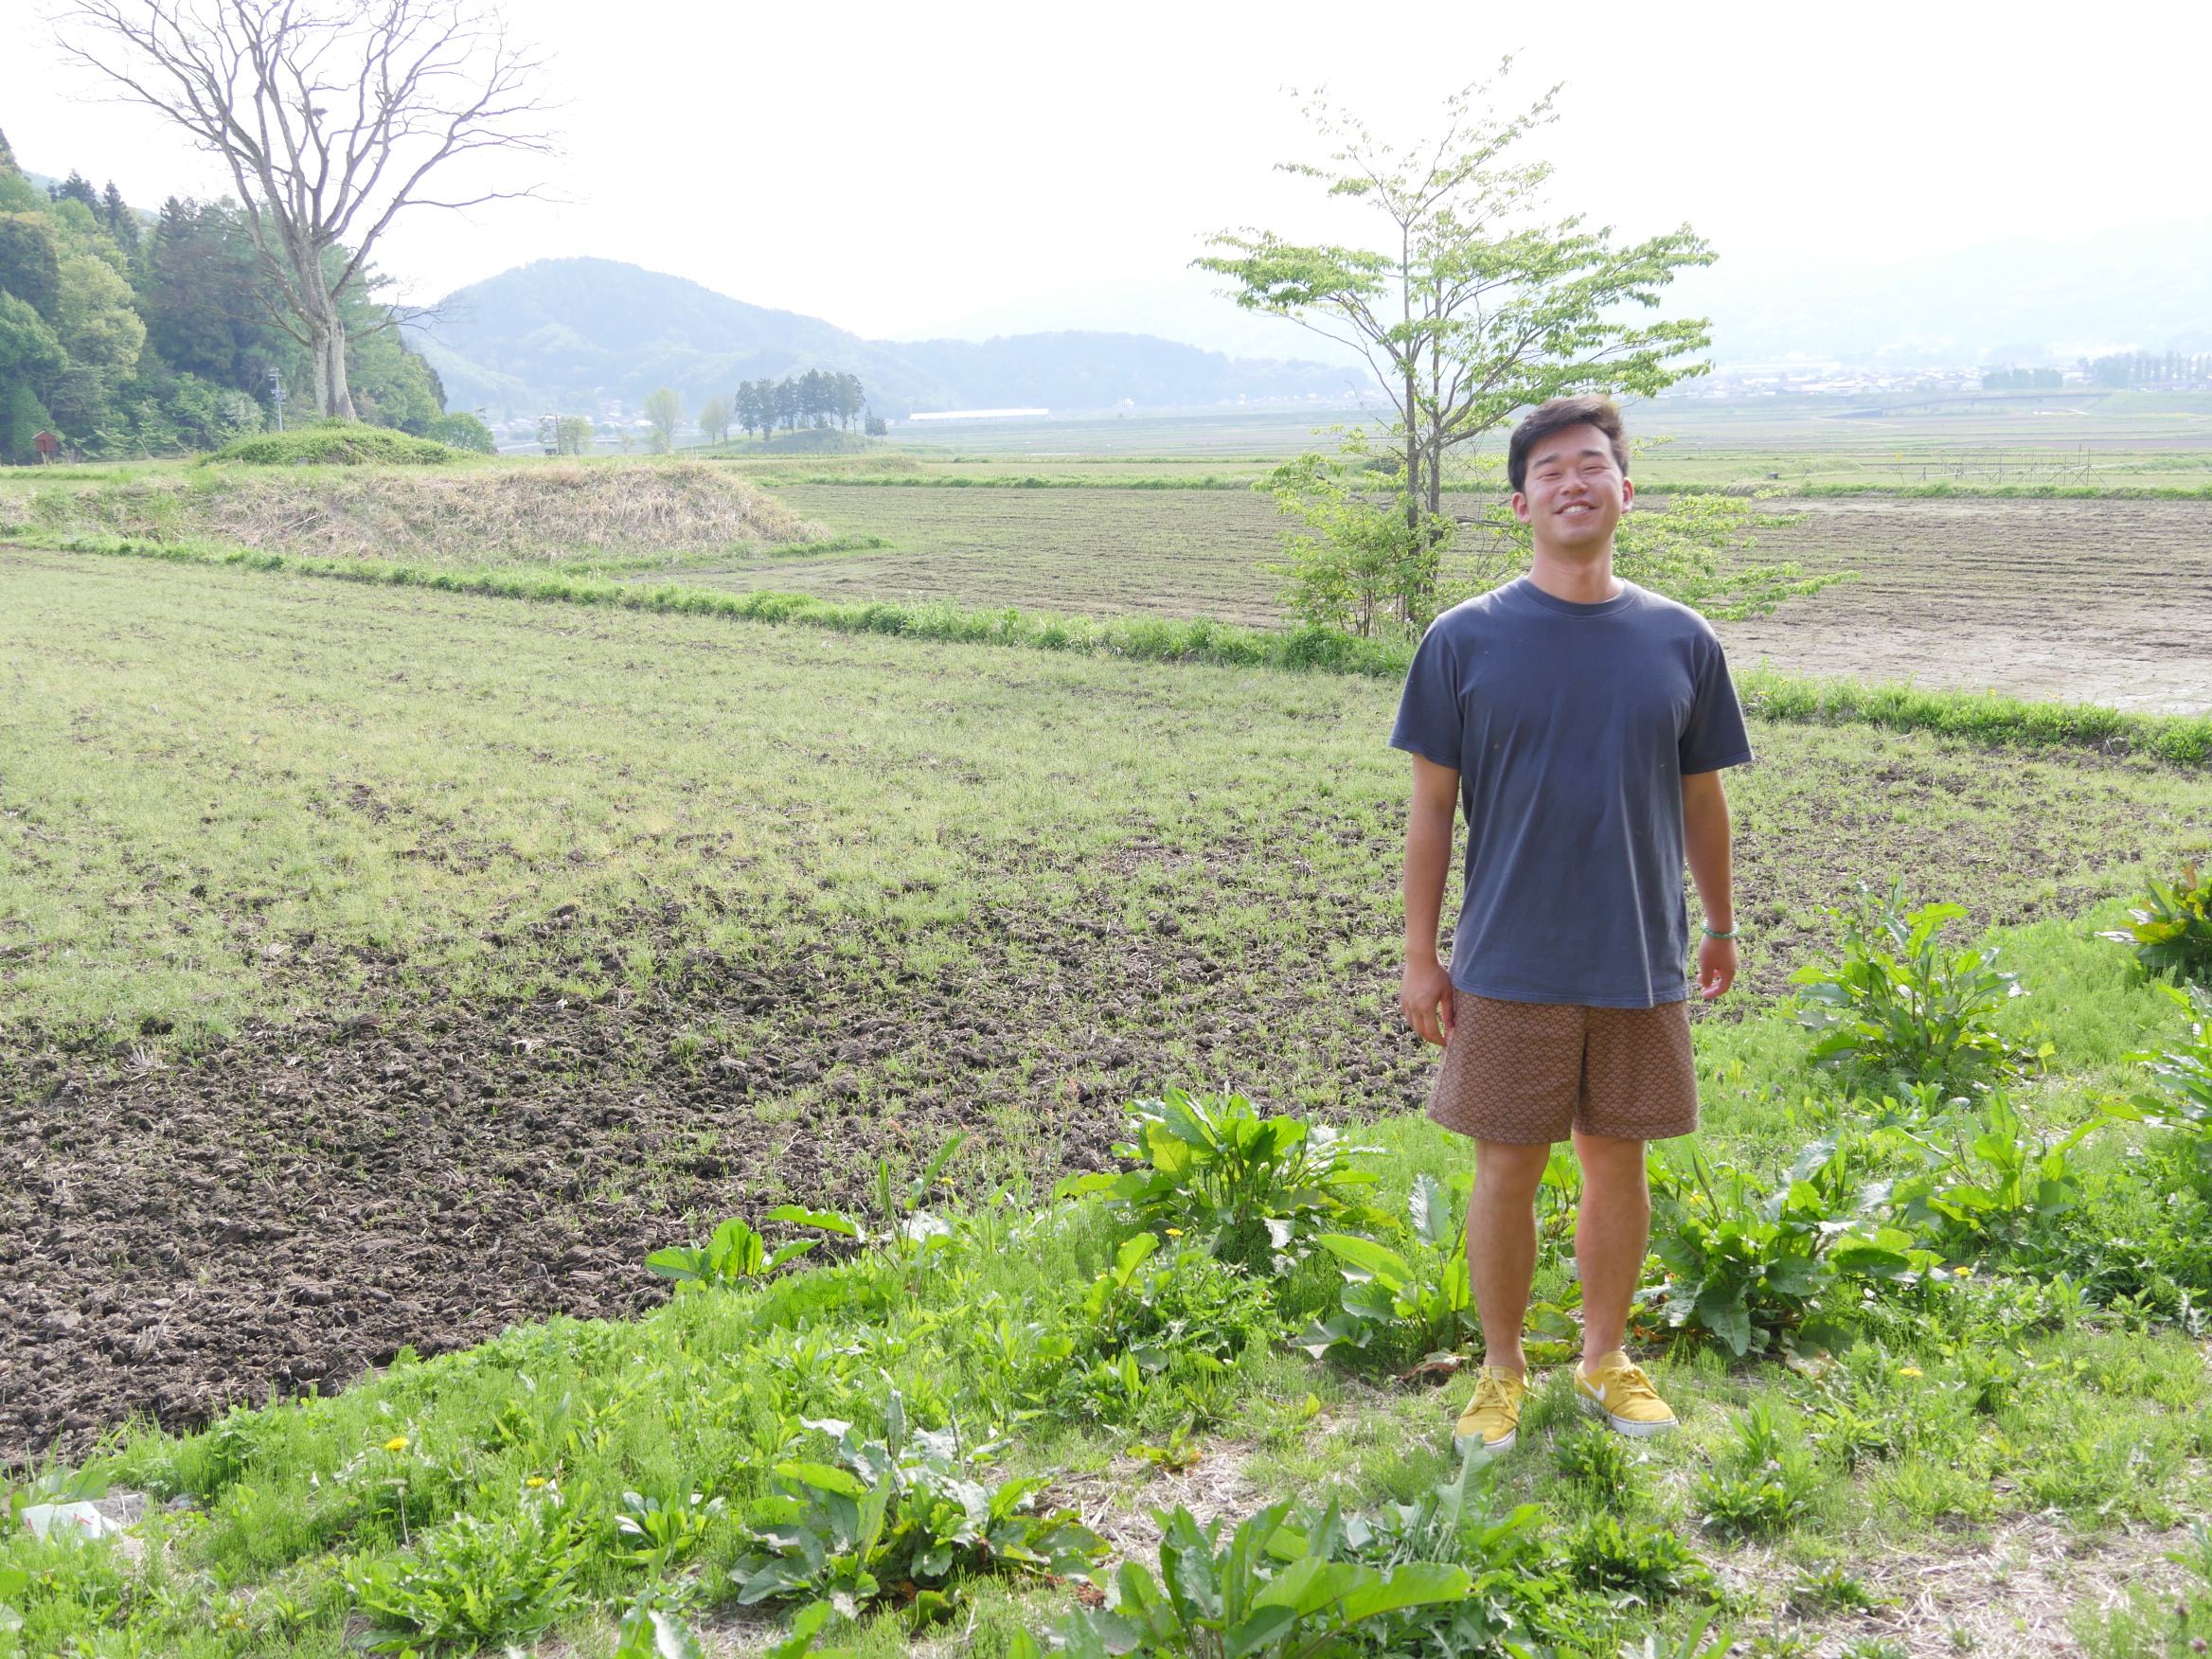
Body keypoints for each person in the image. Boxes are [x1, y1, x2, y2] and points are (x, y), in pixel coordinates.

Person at [1391, 395, 1751, 1454]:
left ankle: (1603, 1358)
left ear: (1624, 492)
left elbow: (1701, 798)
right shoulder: (1462, 640)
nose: (1571, 481)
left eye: (1591, 464)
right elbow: (1427, 805)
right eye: (1548, 470)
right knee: (1506, 1164)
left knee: (1616, 1158)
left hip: (1637, 951)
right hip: (1507, 954)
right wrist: (1421, 956)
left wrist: (1720, 925)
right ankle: (1499, 1371)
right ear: (1519, 503)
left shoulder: (1679, 639)